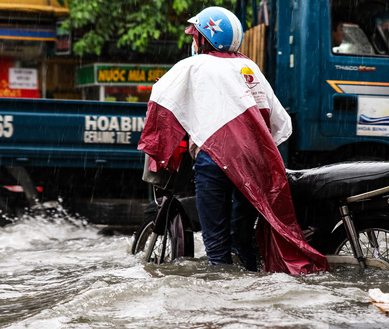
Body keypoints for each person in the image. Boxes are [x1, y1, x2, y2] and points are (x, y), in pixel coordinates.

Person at [138, 6, 328, 275]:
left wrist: (158, 147)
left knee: (216, 246)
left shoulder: (195, 65)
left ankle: (223, 302)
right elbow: (278, 122)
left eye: (195, 36)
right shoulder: (249, 66)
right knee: (242, 241)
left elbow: (159, 98)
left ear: (206, 39)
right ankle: (249, 283)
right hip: (256, 163)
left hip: (215, 161)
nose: (193, 41)